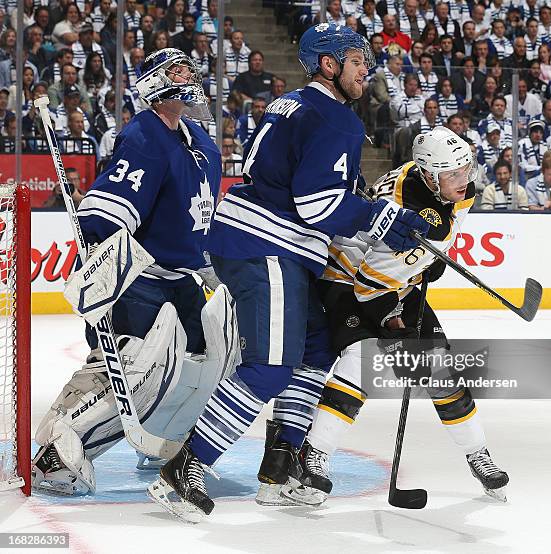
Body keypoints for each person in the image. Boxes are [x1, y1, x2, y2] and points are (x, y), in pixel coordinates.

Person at [147, 24, 430, 522]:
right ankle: (186, 467)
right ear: (328, 64)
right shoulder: (335, 118)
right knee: (272, 366)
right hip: (268, 246)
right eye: (357, 60)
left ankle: (279, 470)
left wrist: (368, 209)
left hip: (262, 241)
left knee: (317, 348)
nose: (367, 68)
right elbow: (317, 203)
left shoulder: (294, 104)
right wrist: (381, 218)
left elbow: (302, 183)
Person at [32, 49, 229, 498]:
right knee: (130, 366)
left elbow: (195, 217)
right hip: (138, 278)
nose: (188, 75)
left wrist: (207, 264)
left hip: (182, 280)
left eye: (189, 67)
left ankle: (163, 441)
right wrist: (98, 248)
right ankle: (55, 454)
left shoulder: (200, 141)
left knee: (209, 357)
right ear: (154, 83)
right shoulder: (144, 136)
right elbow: (110, 207)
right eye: (176, 70)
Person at [281, 128, 509, 506]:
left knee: (440, 370)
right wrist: (392, 318)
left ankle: (477, 454)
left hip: (395, 277)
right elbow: (369, 286)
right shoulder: (407, 214)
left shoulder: (448, 185)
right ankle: (313, 457)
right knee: (360, 362)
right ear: (430, 175)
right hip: (348, 279)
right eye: (453, 175)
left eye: (466, 169)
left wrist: (428, 263)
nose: (463, 180)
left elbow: (443, 231)